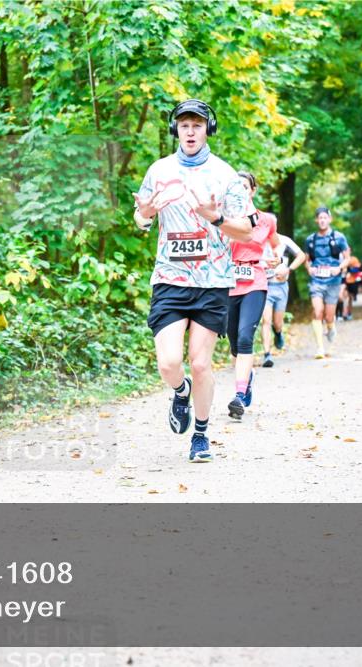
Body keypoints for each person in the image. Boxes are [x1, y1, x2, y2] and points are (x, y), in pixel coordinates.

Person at [133, 99, 255, 462]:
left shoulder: (226, 176)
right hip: (170, 279)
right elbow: (141, 221)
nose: (190, 130)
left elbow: (247, 231)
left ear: (208, 130)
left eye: (197, 125)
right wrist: (144, 214)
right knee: (170, 363)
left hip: (212, 281)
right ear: (175, 130)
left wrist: (216, 220)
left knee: (201, 364)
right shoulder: (158, 171)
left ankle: (200, 436)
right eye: (184, 124)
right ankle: (180, 391)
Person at [226, 171, 278, 420]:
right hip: (228, 284)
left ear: (253, 190)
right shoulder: (223, 219)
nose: (242, 191)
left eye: (245, 187)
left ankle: (238, 396)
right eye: (237, 188)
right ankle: (247, 378)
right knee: (235, 345)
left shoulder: (267, 219)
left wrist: (276, 259)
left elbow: (276, 245)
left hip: (255, 281)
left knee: (246, 337)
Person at [304, 207, 350, 359]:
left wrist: (339, 268)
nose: (322, 220)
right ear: (316, 220)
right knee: (317, 312)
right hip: (316, 280)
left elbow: (348, 258)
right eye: (320, 218)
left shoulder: (339, 237)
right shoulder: (310, 239)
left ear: (330, 219)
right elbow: (306, 259)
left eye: (325, 217)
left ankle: (330, 327)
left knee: (329, 316)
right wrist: (309, 268)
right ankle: (320, 348)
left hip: (333, 281)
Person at [259, 232, 306, 367]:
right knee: (266, 320)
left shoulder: (284, 241)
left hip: (281, 287)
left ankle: (278, 333)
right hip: (265, 285)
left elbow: (301, 256)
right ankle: (267, 355)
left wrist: (288, 270)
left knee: (277, 323)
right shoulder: (259, 240)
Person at [341, 255, 362, 321]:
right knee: (344, 297)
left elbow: (358, 269)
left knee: (350, 298)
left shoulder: (353, 259)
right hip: (343, 281)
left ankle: (349, 313)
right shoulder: (338, 258)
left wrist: (349, 270)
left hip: (351, 282)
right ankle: (343, 314)